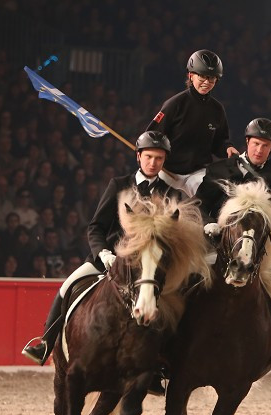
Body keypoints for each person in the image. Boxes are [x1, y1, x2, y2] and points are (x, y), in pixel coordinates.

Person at [21, 131, 183, 369]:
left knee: (180, 299)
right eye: (149, 157)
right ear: (138, 157)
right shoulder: (118, 185)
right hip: (110, 258)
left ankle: (168, 362)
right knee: (67, 287)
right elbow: (96, 227)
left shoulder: (171, 194)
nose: (153, 163)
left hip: (150, 266)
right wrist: (104, 253)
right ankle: (45, 342)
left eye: (159, 158)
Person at [194, 118, 271, 378]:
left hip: (256, 250)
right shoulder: (220, 168)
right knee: (185, 280)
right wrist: (209, 223)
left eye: (266, 146)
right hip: (218, 244)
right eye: (256, 144)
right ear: (247, 143)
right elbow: (199, 203)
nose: (260, 150)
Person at [145, 50, 239, 195]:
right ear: (191, 75)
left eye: (212, 78)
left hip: (197, 174)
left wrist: (228, 148)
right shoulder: (174, 104)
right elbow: (151, 137)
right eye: (202, 76)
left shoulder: (217, 109)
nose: (207, 82)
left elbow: (220, 141)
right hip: (168, 172)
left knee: (211, 203)